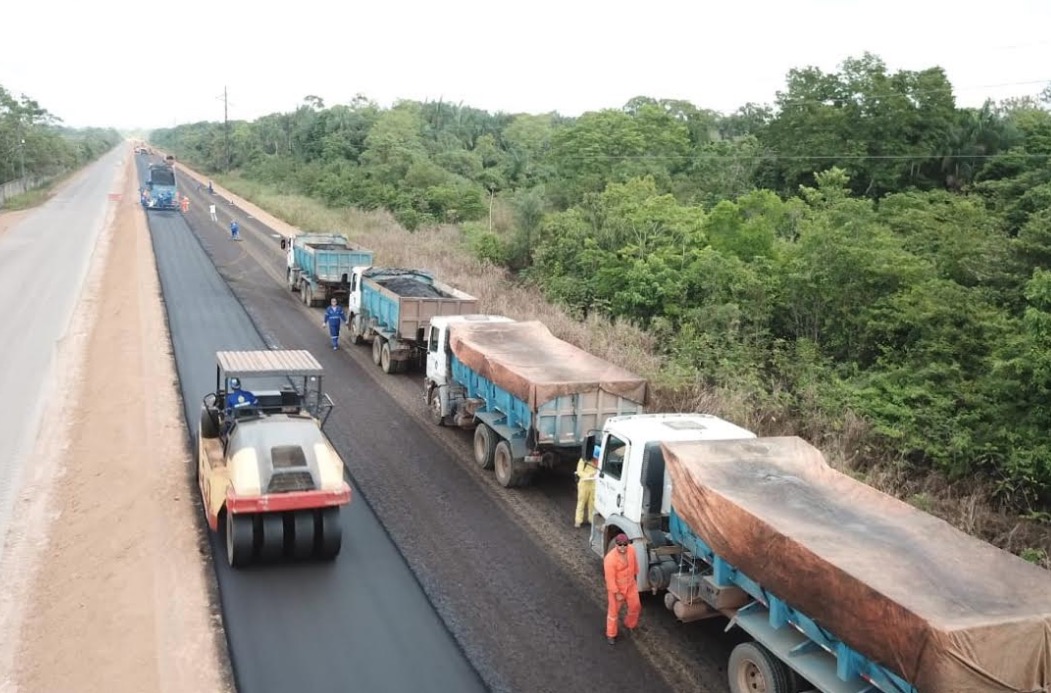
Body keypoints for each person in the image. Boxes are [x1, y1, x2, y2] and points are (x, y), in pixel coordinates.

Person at [603, 533, 640, 645]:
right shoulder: (610, 559)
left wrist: (635, 576)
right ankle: (611, 634)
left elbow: (635, 565)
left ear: (628, 544)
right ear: (616, 545)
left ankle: (630, 625)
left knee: (635, 606)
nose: (622, 547)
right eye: (620, 545)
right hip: (617, 589)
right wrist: (616, 592)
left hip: (630, 585)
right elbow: (610, 579)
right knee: (613, 612)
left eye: (625, 544)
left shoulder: (632, 550)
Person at [574, 447, 598, 527]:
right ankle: (578, 521)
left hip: (593, 484)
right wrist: (588, 475)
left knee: (592, 503)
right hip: (584, 484)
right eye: (595, 458)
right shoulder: (583, 460)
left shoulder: (598, 461)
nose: (596, 460)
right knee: (581, 503)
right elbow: (579, 472)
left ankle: (591, 520)